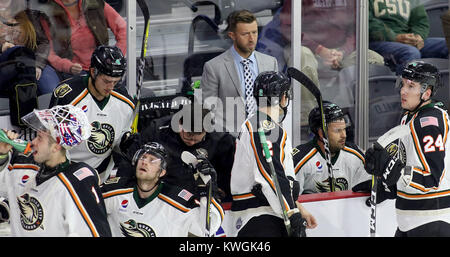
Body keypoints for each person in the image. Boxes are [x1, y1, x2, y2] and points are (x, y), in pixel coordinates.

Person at [365, 60, 450, 237]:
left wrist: (395, 170)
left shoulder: (429, 124)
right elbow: (406, 161)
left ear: (426, 93)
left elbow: (432, 178)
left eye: (411, 86)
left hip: (431, 219)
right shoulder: (409, 117)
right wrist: (387, 183)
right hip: (410, 221)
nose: (403, 91)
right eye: (403, 84)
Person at [0, 105, 111, 236]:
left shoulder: (76, 184)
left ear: (56, 146)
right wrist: (2, 154)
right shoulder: (21, 163)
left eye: (40, 138)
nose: (33, 142)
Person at [229, 71, 317, 237]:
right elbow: (271, 174)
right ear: (283, 97)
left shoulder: (258, 124)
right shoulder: (264, 127)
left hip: (266, 213)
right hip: (259, 216)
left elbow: (278, 177)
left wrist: (298, 207)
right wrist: (291, 213)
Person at [49, 45, 135, 183]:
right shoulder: (67, 96)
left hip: (101, 176)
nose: (111, 87)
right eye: (107, 81)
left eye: (116, 82)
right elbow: (52, 139)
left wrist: (128, 144)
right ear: (93, 72)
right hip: (64, 173)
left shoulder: (126, 103)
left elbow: (120, 142)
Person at [118, 103, 235, 203]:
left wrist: (221, 192)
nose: (192, 142)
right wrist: (122, 192)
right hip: (160, 195)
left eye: (197, 138)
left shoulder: (220, 139)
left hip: (200, 198)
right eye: (188, 135)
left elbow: (228, 173)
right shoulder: (157, 130)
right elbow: (129, 162)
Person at [101, 142, 224, 237]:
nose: (144, 162)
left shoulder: (177, 201)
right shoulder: (114, 190)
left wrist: (209, 191)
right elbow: (86, 206)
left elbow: (209, 227)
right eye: (143, 157)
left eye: (152, 160)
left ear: (162, 172)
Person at [201, 9, 278, 136]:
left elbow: (275, 104)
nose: (252, 39)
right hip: (229, 140)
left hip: (265, 135)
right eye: (245, 34)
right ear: (232, 35)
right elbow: (208, 110)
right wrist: (223, 138)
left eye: (254, 32)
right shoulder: (213, 67)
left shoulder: (270, 63)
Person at [39, 0, 127, 92]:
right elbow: (48, 51)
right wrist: (68, 66)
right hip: (67, 72)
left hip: (100, 68)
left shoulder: (96, 3)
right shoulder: (47, 11)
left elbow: (123, 29)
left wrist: (114, 58)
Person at [292, 101, 371, 194]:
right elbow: (290, 200)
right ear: (322, 133)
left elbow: (369, 191)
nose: (344, 135)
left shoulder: (355, 155)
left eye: (344, 129)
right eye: (337, 131)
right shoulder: (300, 159)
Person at [369, 0, 448, 74]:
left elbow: (420, 22)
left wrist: (417, 37)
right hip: (379, 42)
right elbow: (369, 22)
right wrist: (395, 37)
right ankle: (403, 87)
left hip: (407, 40)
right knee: (410, 52)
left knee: (446, 45)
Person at [0, 0, 50, 95]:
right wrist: (2, 48)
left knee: (49, 90)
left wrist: (38, 65)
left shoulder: (28, 14)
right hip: (4, 64)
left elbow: (43, 43)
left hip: (32, 62)